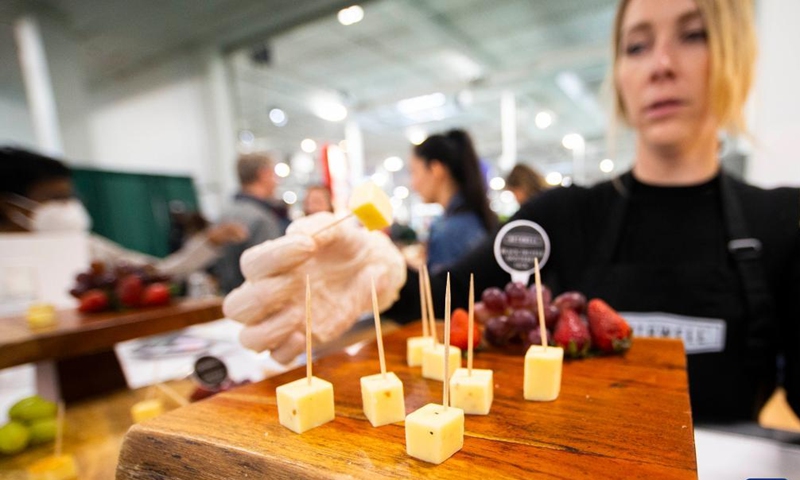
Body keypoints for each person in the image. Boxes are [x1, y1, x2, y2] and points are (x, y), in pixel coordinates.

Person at [222, 0, 799, 423]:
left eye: (693, 35)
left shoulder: (786, 223)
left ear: (735, 57)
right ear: (620, 74)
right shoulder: (559, 216)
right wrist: (380, 278)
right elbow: (445, 293)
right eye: (637, 45)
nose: (661, 64)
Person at [0, 147, 247, 279]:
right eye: (55, 199)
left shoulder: (88, 248)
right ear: (9, 204)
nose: (68, 207)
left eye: (69, 198)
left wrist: (209, 242)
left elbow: (159, 272)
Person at [409, 129, 497, 273]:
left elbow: (442, 292)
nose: (413, 184)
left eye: (414, 172)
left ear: (436, 169)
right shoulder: (475, 218)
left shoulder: (448, 231)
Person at [213, 153, 287, 293]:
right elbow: (269, 269)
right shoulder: (262, 218)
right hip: (258, 301)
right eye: (274, 174)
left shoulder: (224, 214)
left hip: (231, 299)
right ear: (264, 174)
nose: (276, 181)